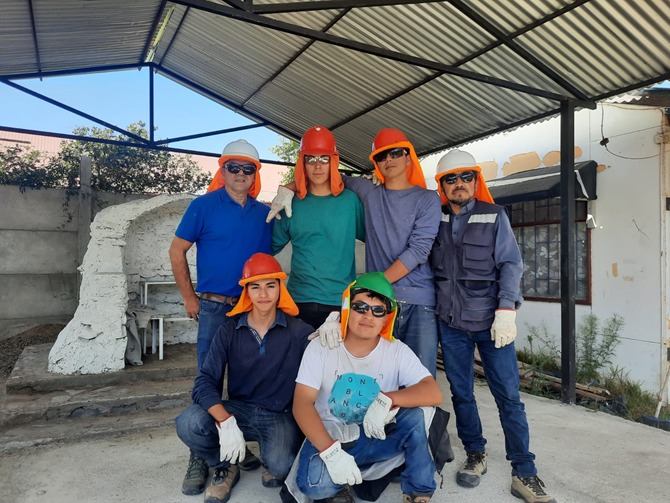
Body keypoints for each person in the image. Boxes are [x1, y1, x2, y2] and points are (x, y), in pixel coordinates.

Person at [430, 149, 556, 503]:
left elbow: (511, 264)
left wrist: (507, 309)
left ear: (475, 180)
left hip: (491, 322)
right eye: (450, 179)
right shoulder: (433, 218)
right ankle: (476, 454)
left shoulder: (493, 214)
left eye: (465, 177)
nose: (459, 184)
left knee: (509, 397)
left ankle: (524, 471)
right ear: (442, 185)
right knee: (462, 394)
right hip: (451, 323)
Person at [271, 128, 442, 376]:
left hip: (389, 300)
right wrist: (287, 188)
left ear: (409, 157)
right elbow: (324, 175)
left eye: (396, 153)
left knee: (419, 376)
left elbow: (418, 249)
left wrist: (373, 286)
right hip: (335, 302)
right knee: (357, 374)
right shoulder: (365, 193)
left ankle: (418, 415)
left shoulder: (420, 199)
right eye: (382, 156)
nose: (389, 160)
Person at [169, 139, 272, 495]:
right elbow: (177, 250)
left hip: (250, 307)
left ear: (255, 173)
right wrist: (189, 297)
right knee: (207, 380)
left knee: (245, 379)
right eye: (234, 167)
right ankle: (201, 454)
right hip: (213, 306)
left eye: (248, 168)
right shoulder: (203, 206)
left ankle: (237, 446)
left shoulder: (264, 213)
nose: (240, 174)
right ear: (222, 169)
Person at [290, 272, 443, 503]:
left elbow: (433, 392)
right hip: (334, 436)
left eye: (377, 310)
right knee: (313, 485)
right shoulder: (321, 346)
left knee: (421, 414)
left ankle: (418, 490)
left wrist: (387, 399)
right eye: (360, 307)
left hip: (378, 434)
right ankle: (356, 476)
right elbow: (302, 404)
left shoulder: (396, 350)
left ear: (386, 318)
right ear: (347, 309)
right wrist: (331, 454)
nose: (368, 315)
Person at [175, 253, 314, 503]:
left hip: (278, 414)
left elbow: (326, 364)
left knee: (282, 467)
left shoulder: (299, 331)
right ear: (246, 291)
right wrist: (225, 422)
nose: (263, 294)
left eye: (270, 286)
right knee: (188, 422)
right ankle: (226, 465)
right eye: (255, 286)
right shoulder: (229, 329)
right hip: (238, 409)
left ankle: (268, 460)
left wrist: (336, 330)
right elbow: (204, 381)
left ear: (280, 289)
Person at [271, 125, 365, 329]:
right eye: (311, 159)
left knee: (337, 361)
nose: (318, 166)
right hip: (298, 301)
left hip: (339, 301)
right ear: (302, 163)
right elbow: (268, 246)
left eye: (324, 158)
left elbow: (376, 239)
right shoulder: (291, 203)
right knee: (299, 360)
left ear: (334, 161)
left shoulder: (350, 201)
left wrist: (379, 188)